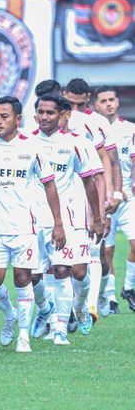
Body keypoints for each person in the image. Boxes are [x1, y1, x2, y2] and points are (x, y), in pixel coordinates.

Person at [0, 96, 65, 353]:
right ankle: (9, 315)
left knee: (23, 277)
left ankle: (23, 336)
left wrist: (58, 223)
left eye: (4, 116)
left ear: (18, 119)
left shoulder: (34, 148)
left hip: (24, 227)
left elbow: (50, 185)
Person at [29, 94, 104, 346]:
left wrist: (97, 217)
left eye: (50, 113)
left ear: (62, 114)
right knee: (34, 275)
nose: (44, 117)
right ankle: (45, 309)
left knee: (74, 272)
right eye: (41, 112)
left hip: (71, 218)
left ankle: (73, 315)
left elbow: (89, 182)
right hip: (34, 218)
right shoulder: (26, 141)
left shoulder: (77, 142)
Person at [63, 78, 123, 320]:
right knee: (65, 255)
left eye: (80, 104)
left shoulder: (96, 123)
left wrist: (111, 194)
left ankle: (92, 305)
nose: (74, 110)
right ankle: (69, 308)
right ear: (63, 95)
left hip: (92, 192)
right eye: (70, 104)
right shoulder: (55, 119)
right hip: (64, 193)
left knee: (97, 249)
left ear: (88, 98)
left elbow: (110, 160)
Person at [92, 86, 135, 313]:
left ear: (117, 102)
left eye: (111, 99)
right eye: (103, 100)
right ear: (96, 105)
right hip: (104, 200)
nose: (108, 103)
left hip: (127, 197)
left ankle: (128, 286)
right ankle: (110, 298)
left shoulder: (130, 129)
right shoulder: (91, 128)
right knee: (105, 251)